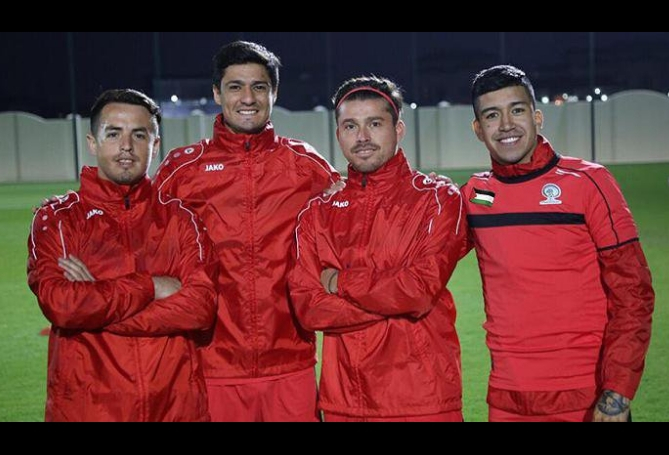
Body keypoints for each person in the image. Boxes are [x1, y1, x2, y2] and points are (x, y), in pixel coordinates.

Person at [153, 41, 341, 422]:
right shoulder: (183, 170)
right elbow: (134, 222)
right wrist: (68, 206)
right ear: (216, 93)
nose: (247, 98)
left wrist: (427, 185)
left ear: (274, 93)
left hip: (291, 359)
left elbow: (356, 209)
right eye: (235, 86)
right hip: (213, 361)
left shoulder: (305, 163)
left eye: (259, 86)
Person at [462, 65, 655, 422]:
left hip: (587, 399)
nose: (506, 124)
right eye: (492, 115)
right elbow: (418, 256)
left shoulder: (589, 183)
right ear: (478, 129)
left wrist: (617, 392)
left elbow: (634, 293)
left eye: (517, 110)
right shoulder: (475, 195)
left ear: (537, 116)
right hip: (507, 400)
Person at [27, 89, 218, 422]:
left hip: (174, 409)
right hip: (88, 411)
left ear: (155, 145)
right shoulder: (58, 219)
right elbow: (63, 305)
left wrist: (98, 307)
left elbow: (200, 308)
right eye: (113, 133)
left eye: (139, 135)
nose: (126, 146)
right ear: (93, 142)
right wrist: (150, 288)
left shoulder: (181, 219)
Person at [289, 76, 467, 422]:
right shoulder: (318, 212)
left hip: (424, 400)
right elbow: (309, 310)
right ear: (338, 134)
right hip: (346, 403)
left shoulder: (437, 199)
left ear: (398, 128)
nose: (363, 137)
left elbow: (418, 290)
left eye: (375, 123)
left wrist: (340, 284)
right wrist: (396, 303)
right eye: (350, 126)